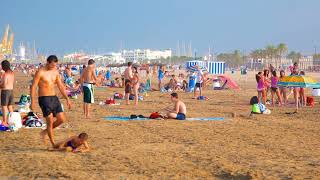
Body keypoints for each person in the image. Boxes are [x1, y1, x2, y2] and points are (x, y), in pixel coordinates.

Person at [30, 55, 72, 147]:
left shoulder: (56, 72)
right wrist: (32, 101)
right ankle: (53, 144)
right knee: (50, 121)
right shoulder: (40, 72)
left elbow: (60, 86)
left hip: (54, 98)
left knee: (62, 119)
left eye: (55, 65)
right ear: (47, 62)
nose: (54, 67)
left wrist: (67, 98)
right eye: (52, 65)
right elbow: (33, 87)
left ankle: (45, 132)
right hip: (44, 98)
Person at [0, 60, 14, 126]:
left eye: (1, 65)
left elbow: (4, 85)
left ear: (4, 66)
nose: (1, 67)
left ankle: (4, 121)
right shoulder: (12, 73)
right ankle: (12, 120)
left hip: (5, 91)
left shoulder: (5, 74)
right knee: (10, 106)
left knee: (4, 107)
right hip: (11, 91)